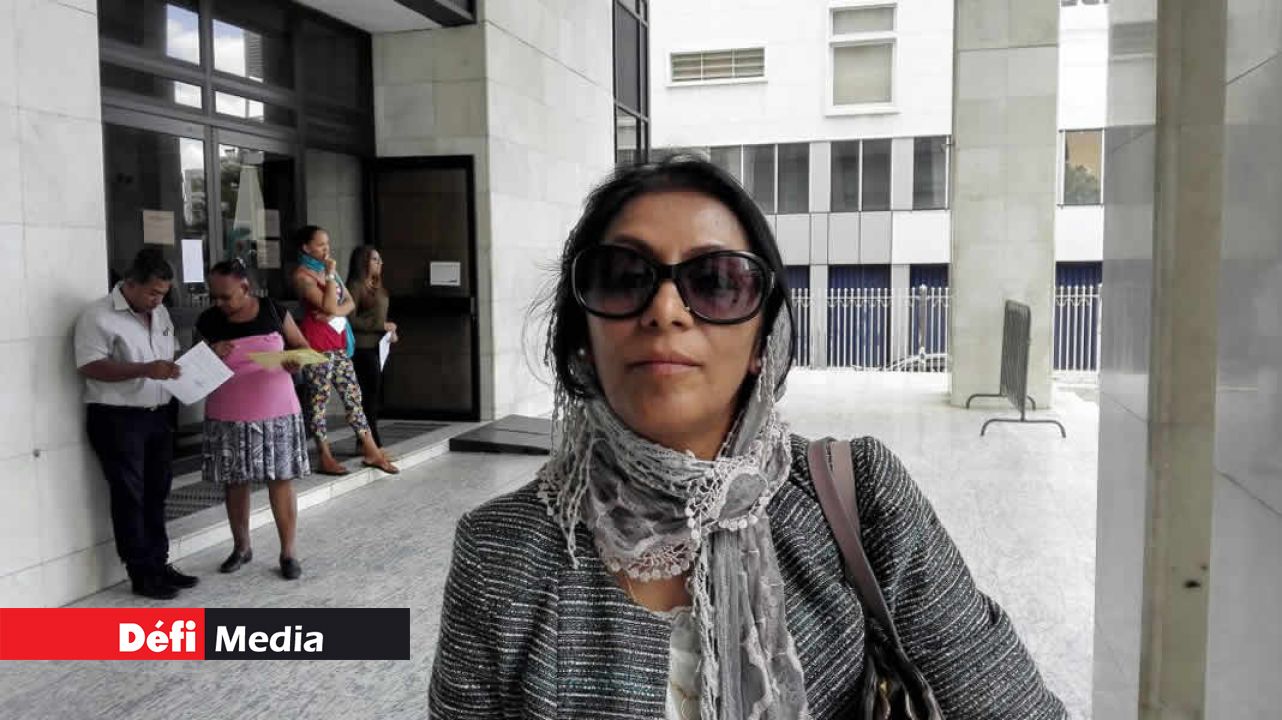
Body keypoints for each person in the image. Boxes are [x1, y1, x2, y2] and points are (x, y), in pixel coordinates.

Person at [429, 157, 1068, 718]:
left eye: (714, 282)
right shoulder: (500, 553)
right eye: (624, 277)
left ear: (764, 341)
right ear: (582, 340)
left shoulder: (861, 498)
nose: (665, 311)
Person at [74, 247, 198, 600]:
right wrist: (145, 369)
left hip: (158, 414)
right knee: (130, 495)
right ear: (130, 283)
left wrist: (195, 362)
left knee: (158, 492)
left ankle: (160, 563)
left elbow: (169, 357)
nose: (158, 301)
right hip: (118, 418)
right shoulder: (97, 315)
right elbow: (90, 365)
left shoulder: (159, 314)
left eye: (163, 294)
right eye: (153, 293)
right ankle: (141, 572)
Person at [197, 259, 312, 580]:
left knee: (281, 479)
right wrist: (210, 354)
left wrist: (295, 360)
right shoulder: (209, 320)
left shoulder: (273, 311)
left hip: (277, 410)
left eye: (226, 296)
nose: (219, 303)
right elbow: (193, 370)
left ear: (246, 287)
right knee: (235, 481)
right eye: (214, 296)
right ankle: (241, 547)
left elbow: (302, 347)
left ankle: (288, 552)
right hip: (228, 413)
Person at [290, 225, 398, 476]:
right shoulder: (303, 276)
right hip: (316, 344)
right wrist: (329, 279)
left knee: (353, 396)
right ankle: (324, 456)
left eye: (327, 244)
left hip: (338, 342)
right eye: (320, 245)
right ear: (306, 248)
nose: (326, 249)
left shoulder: (329, 270)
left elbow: (347, 303)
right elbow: (328, 303)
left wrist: (334, 311)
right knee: (319, 401)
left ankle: (371, 450)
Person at [346, 245, 397, 449]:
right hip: (362, 348)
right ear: (363, 262)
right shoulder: (355, 285)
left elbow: (378, 317)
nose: (380, 263)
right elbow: (350, 320)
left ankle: (365, 441)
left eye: (380, 259)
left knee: (373, 395)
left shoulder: (376, 285)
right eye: (375, 259)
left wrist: (389, 330)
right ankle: (371, 441)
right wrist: (380, 326)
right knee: (367, 396)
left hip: (378, 347)